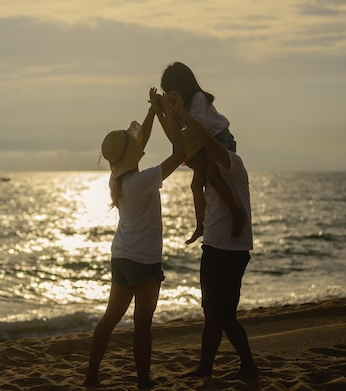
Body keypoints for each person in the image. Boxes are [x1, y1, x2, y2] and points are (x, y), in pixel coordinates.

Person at [83, 88, 186, 389]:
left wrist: (154, 112)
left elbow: (139, 144)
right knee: (143, 325)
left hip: (122, 257)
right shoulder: (142, 182)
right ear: (132, 156)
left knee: (109, 319)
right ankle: (143, 383)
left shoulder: (118, 180)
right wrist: (173, 115)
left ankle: (91, 377)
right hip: (144, 260)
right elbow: (179, 155)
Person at [168, 90, 260, 385]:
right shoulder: (206, 173)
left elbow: (207, 140)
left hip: (233, 249)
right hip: (214, 245)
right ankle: (205, 368)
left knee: (225, 315)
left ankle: (248, 365)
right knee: (211, 313)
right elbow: (178, 145)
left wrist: (181, 113)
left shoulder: (233, 163)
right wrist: (162, 111)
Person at [159, 62, 245, 245]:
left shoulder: (198, 99)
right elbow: (176, 139)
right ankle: (201, 225)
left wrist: (177, 112)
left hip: (220, 140)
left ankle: (237, 211)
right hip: (201, 145)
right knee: (196, 184)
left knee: (213, 176)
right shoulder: (182, 107)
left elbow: (198, 127)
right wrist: (163, 113)